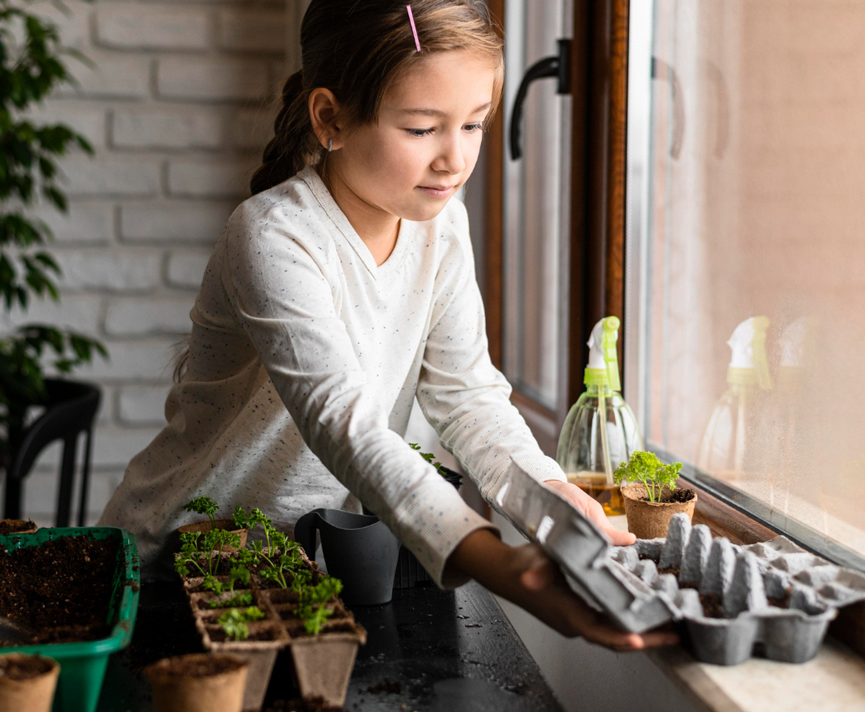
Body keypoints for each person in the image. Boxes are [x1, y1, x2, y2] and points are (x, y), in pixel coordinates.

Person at [98, 0, 674, 650]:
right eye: (423, 128)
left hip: (301, 581)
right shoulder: (273, 236)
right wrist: (505, 568)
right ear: (330, 119)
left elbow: (467, 398)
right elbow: (345, 427)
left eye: (474, 124)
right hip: (174, 575)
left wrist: (550, 497)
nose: (454, 160)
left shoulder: (441, 229)